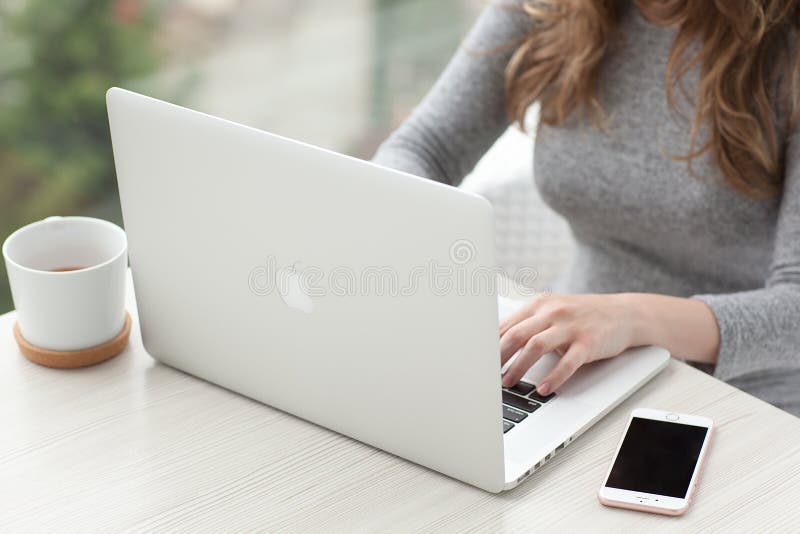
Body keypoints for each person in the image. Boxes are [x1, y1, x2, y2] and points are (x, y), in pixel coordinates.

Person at [372, 0, 800, 416]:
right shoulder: (551, 9)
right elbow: (426, 146)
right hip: (569, 364)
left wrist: (631, 317)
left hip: (745, 395)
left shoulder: (787, 45)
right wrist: (389, 222)